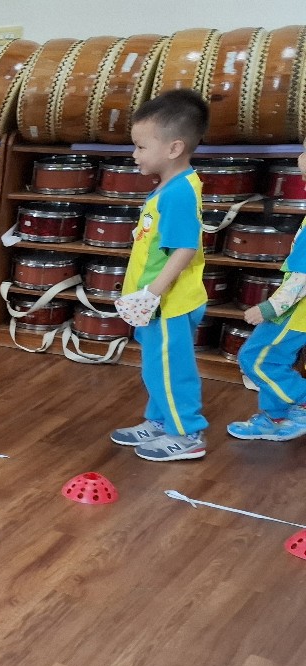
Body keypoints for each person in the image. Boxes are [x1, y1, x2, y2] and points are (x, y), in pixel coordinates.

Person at [110, 89, 211, 462]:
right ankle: (160, 420)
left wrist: (152, 293)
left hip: (169, 303)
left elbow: (185, 249)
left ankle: (186, 433)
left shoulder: (179, 193)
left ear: (173, 148)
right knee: (157, 365)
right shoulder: (170, 188)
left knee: (172, 369)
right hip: (157, 302)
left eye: (140, 146)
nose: (134, 154)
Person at [226, 144, 306, 441]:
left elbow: (301, 279)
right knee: (275, 360)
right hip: (294, 309)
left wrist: (269, 308)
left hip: (295, 312)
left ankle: (301, 403)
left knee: (257, 358)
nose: (300, 158)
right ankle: (276, 416)